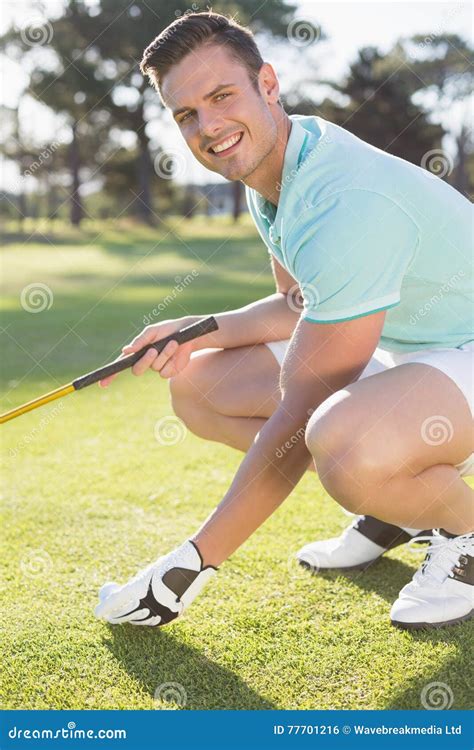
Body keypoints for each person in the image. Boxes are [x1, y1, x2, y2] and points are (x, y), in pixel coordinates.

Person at [95, 11, 473, 631]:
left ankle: (465, 535)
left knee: (342, 444)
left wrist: (186, 567)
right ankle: (401, 508)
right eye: (185, 114)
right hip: (415, 346)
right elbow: (304, 303)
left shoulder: (343, 200)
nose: (208, 127)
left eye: (222, 97)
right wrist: (194, 329)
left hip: (465, 347)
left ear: (267, 84)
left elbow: (301, 408)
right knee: (198, 387)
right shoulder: (272, 165)